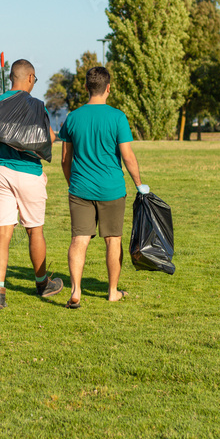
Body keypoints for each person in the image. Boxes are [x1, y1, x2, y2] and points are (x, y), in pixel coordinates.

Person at [58, 66, 148, 309]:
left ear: (86, 87)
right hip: (112, 189)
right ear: (108, 88)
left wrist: (72, 183)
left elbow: (65, 159)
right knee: (113, 241)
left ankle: (76, 291)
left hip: (80, 188)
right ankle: (112, 291)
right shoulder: (118, 117)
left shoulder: (73, 118)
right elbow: (127, 156)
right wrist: (139, 184)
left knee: (79, 239)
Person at [0, 59, 64, 310]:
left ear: (11, 78)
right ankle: (42, 283)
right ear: (30, 78)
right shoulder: (37, 106)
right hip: (29, 174)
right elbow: (49, 140)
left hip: (1, 171)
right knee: (34, 230)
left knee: (3, 232)